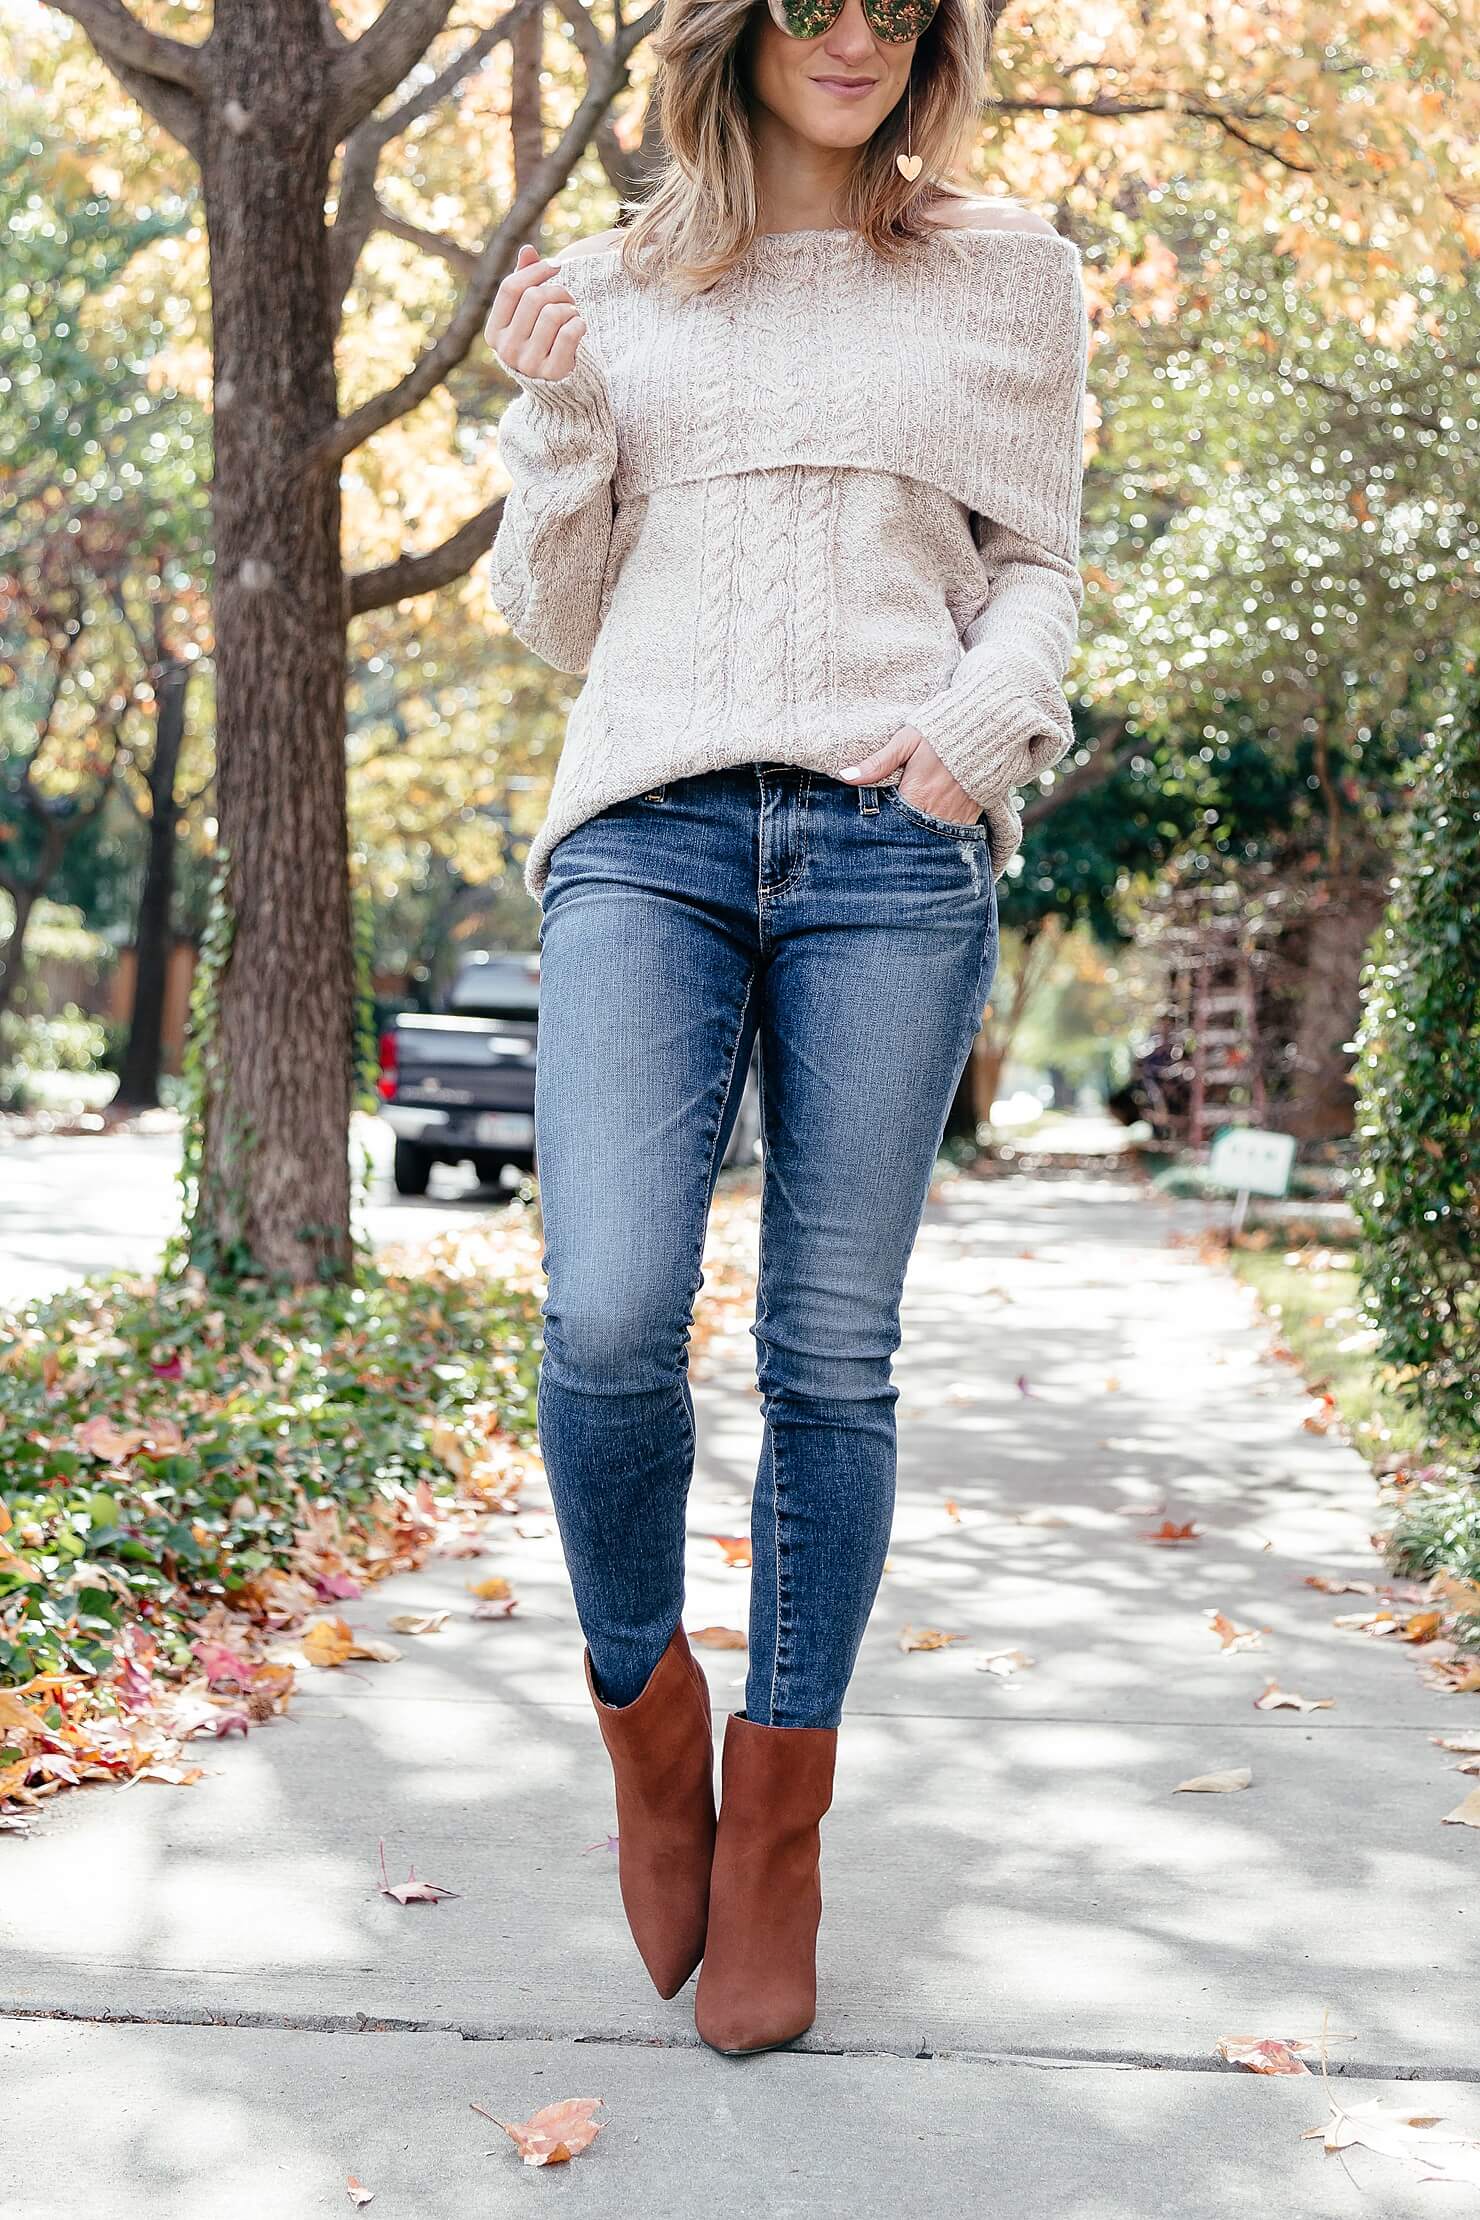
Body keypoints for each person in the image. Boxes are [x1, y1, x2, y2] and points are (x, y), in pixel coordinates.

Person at [484, 0, 1088, 2057]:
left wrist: (982, 726)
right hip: (643, 833)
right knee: (603, 1313)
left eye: (895, 5)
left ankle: (779, 1833)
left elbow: (1036, 568)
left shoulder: (1004, 271)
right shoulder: (609, 292)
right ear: (727, 31)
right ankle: (651, 1725)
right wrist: (558, 425)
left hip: (887, 843)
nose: (855, 35)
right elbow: (563, 621)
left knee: (829, 1353)